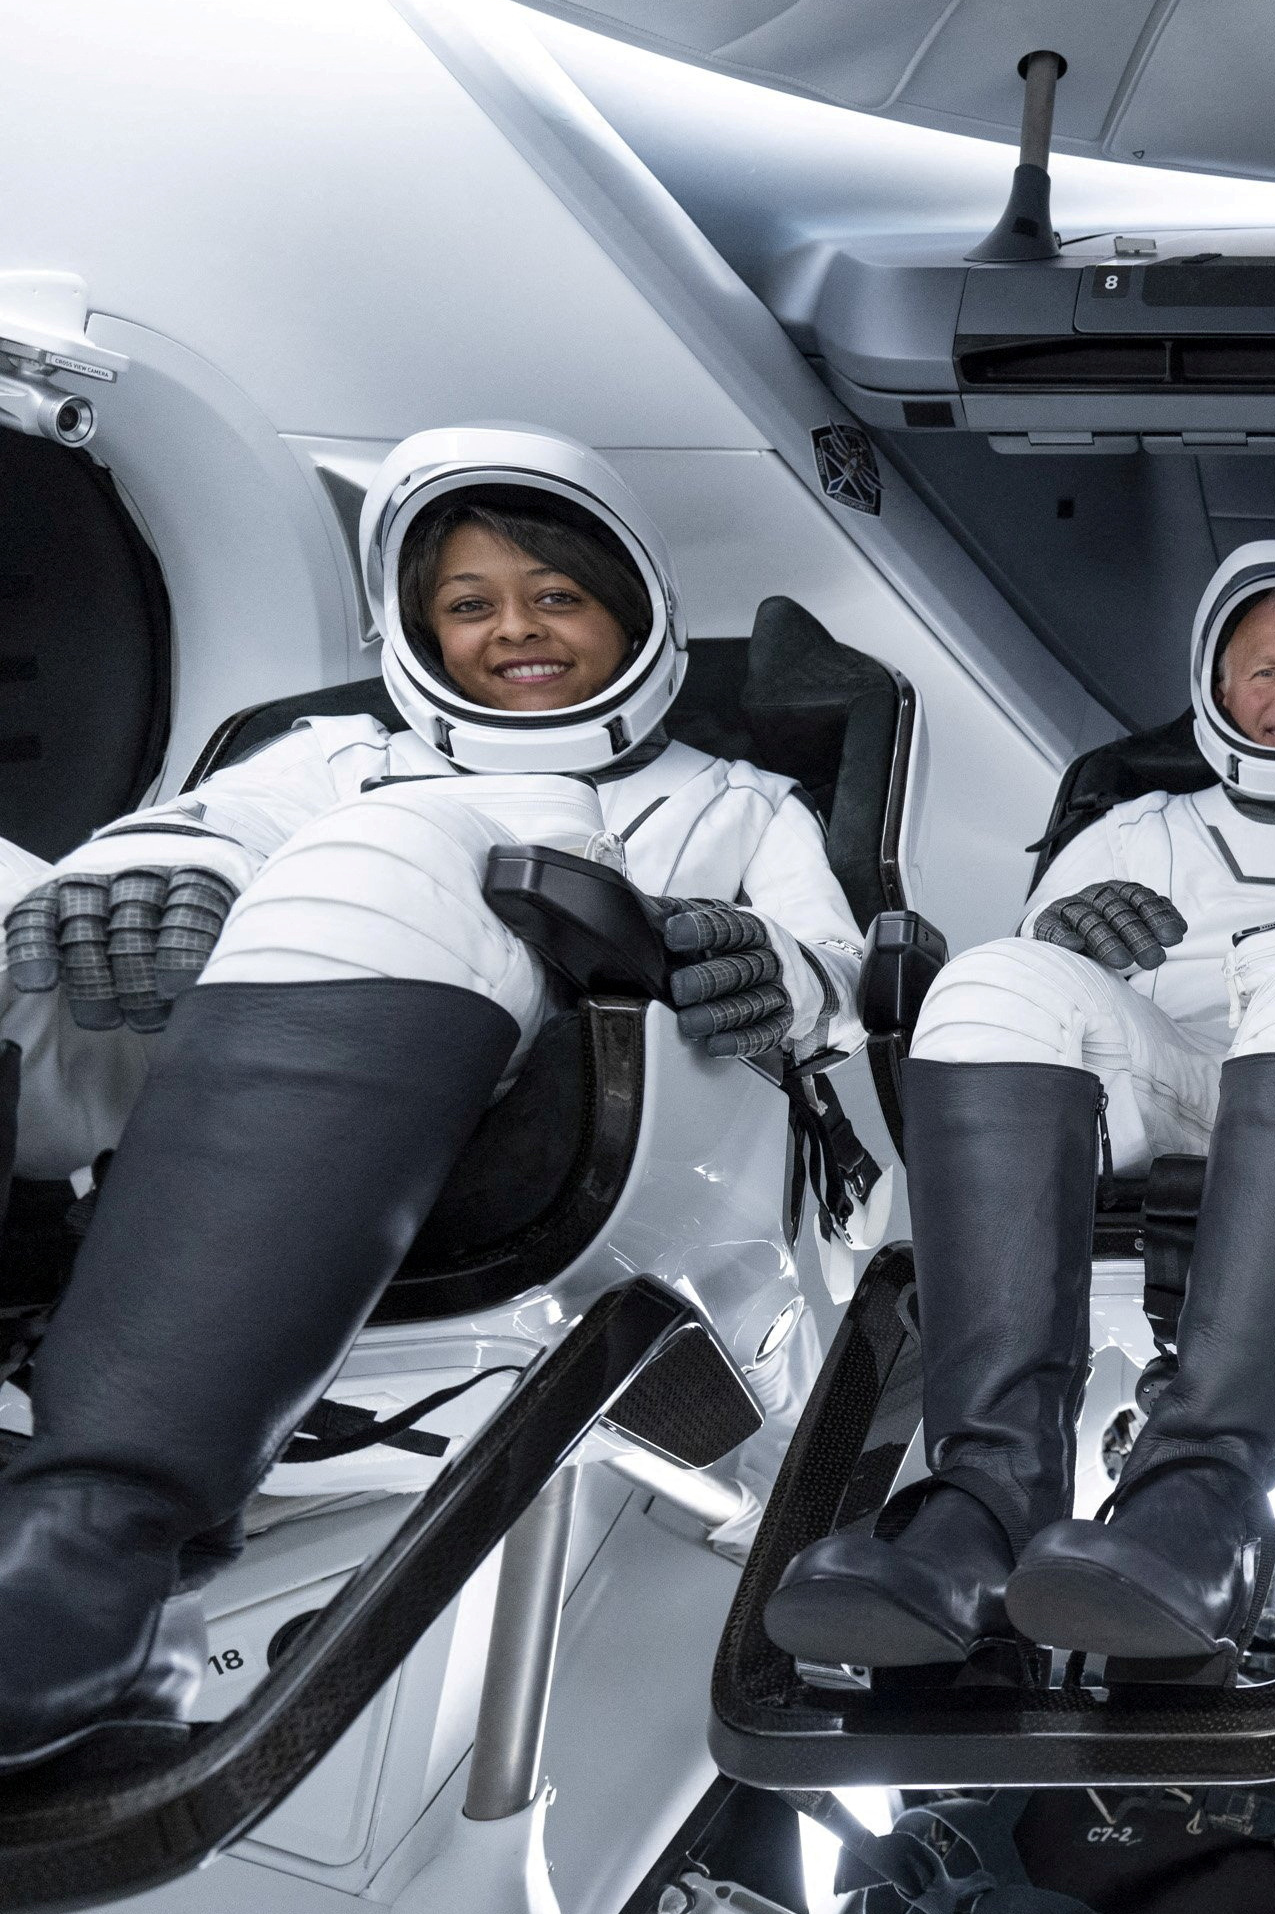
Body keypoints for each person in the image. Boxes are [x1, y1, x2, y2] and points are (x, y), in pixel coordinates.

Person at [0, 425, 865, 1776]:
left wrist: (775, 970)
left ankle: (98, 1550)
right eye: (470, 604)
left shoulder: (739, 806)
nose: (513, 629)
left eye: (555, 594)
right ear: (420, 630)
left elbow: (833, 972)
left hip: (607, 1140)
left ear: (632, 606)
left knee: (407, 846)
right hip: (202, 1092)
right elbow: (220, 827)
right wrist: (154, 869)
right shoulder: (333, 755)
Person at [767, 541, 1275, 1671]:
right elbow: (1037, 1002)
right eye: (1265, 670)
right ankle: (986, 1502)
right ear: (1216, 691)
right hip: (1164, 1091)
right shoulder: (1131, 829)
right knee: (993, 978)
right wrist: (1064, 940)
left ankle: (1204, 1499)